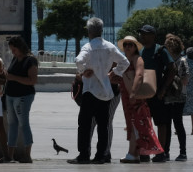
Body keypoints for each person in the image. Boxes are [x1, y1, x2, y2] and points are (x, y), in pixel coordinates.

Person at [71, 16, 128, 165]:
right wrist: (115, 72)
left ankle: (84, 154)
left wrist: (83, 71)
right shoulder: (110, 47)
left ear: (89, 31)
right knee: (103, 125)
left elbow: (78, 60)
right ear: (101, 31)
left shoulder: (88, 47)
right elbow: (125, 62)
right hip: (105, 92)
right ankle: (101, 155)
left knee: (84, 124)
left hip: (90, 91)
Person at [118, 35, 163, 163]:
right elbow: (116, 73)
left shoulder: (137, 59)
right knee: (132, 124)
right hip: (126, 97)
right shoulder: (125, 60)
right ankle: (135, 153)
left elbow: (139, 75)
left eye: (130, 45)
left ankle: (132, 154)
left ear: (135, 47)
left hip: (134, 97)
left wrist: (133, 93)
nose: (127, 47)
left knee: (135, 124)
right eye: (125, 44)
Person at [137, 24, 174, 162]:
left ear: (153, 36)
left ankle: (160, 151)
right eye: (141, 33)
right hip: (143, 94)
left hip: (157, 94)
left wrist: (163, 89)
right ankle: (145, 151)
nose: (142, 36)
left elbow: (172, 69)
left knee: (161, 123)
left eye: (145, 34)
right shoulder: (139, 51)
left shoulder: (160, 50)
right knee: (145, 123)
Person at [3, 35, 38, 163]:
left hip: (23, 96)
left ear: (20, 47)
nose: (13, 52)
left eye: (14, 49)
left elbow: (33, 80)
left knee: (23, 124)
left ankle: (27, 155)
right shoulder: (15, 59)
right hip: (11, 95)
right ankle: (9, 155)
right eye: (11, 50)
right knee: (12, 124)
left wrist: (13, 77)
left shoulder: (30, 60)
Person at [161, 34, 189, 161]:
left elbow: (185, 80)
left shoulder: (181, 61)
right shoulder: (168, 60)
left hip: (178, 97)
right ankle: (166, 151)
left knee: (177, 124)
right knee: (167, 124)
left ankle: (182, 152)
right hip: (168, 96)